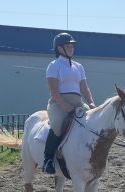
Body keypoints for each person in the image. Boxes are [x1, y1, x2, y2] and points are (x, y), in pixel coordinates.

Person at [42, 32, 96, 174]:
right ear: (59, 48)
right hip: (58, 103)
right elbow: (53, 91)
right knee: (58, 126)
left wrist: (91, 103)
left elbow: (85, 88)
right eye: (68, 46)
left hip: (78, 102)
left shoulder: (79, 67)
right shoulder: (54, 66)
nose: (72, 48)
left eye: (72, 45)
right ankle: (48, 159)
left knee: (93, 122)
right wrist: (64, 105)